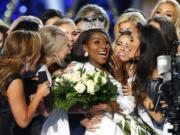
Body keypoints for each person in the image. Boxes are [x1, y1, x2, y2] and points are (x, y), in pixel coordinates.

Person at [70, 28, 135, 135]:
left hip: (121, 129)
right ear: (85, 47)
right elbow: (63, 104)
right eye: (97, 42)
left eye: (106, 43)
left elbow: (127, 105)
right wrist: (104, 107)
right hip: (99, 129)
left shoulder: (113, 70)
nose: (104, 46)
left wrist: (121, 80)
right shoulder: (78, 69)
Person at [0, 30, 49, 135]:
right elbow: (23, 121)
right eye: (38, 52)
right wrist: (39, 95)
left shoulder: (5, 71)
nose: (40, 56)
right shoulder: (14, 80)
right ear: (28, 56)